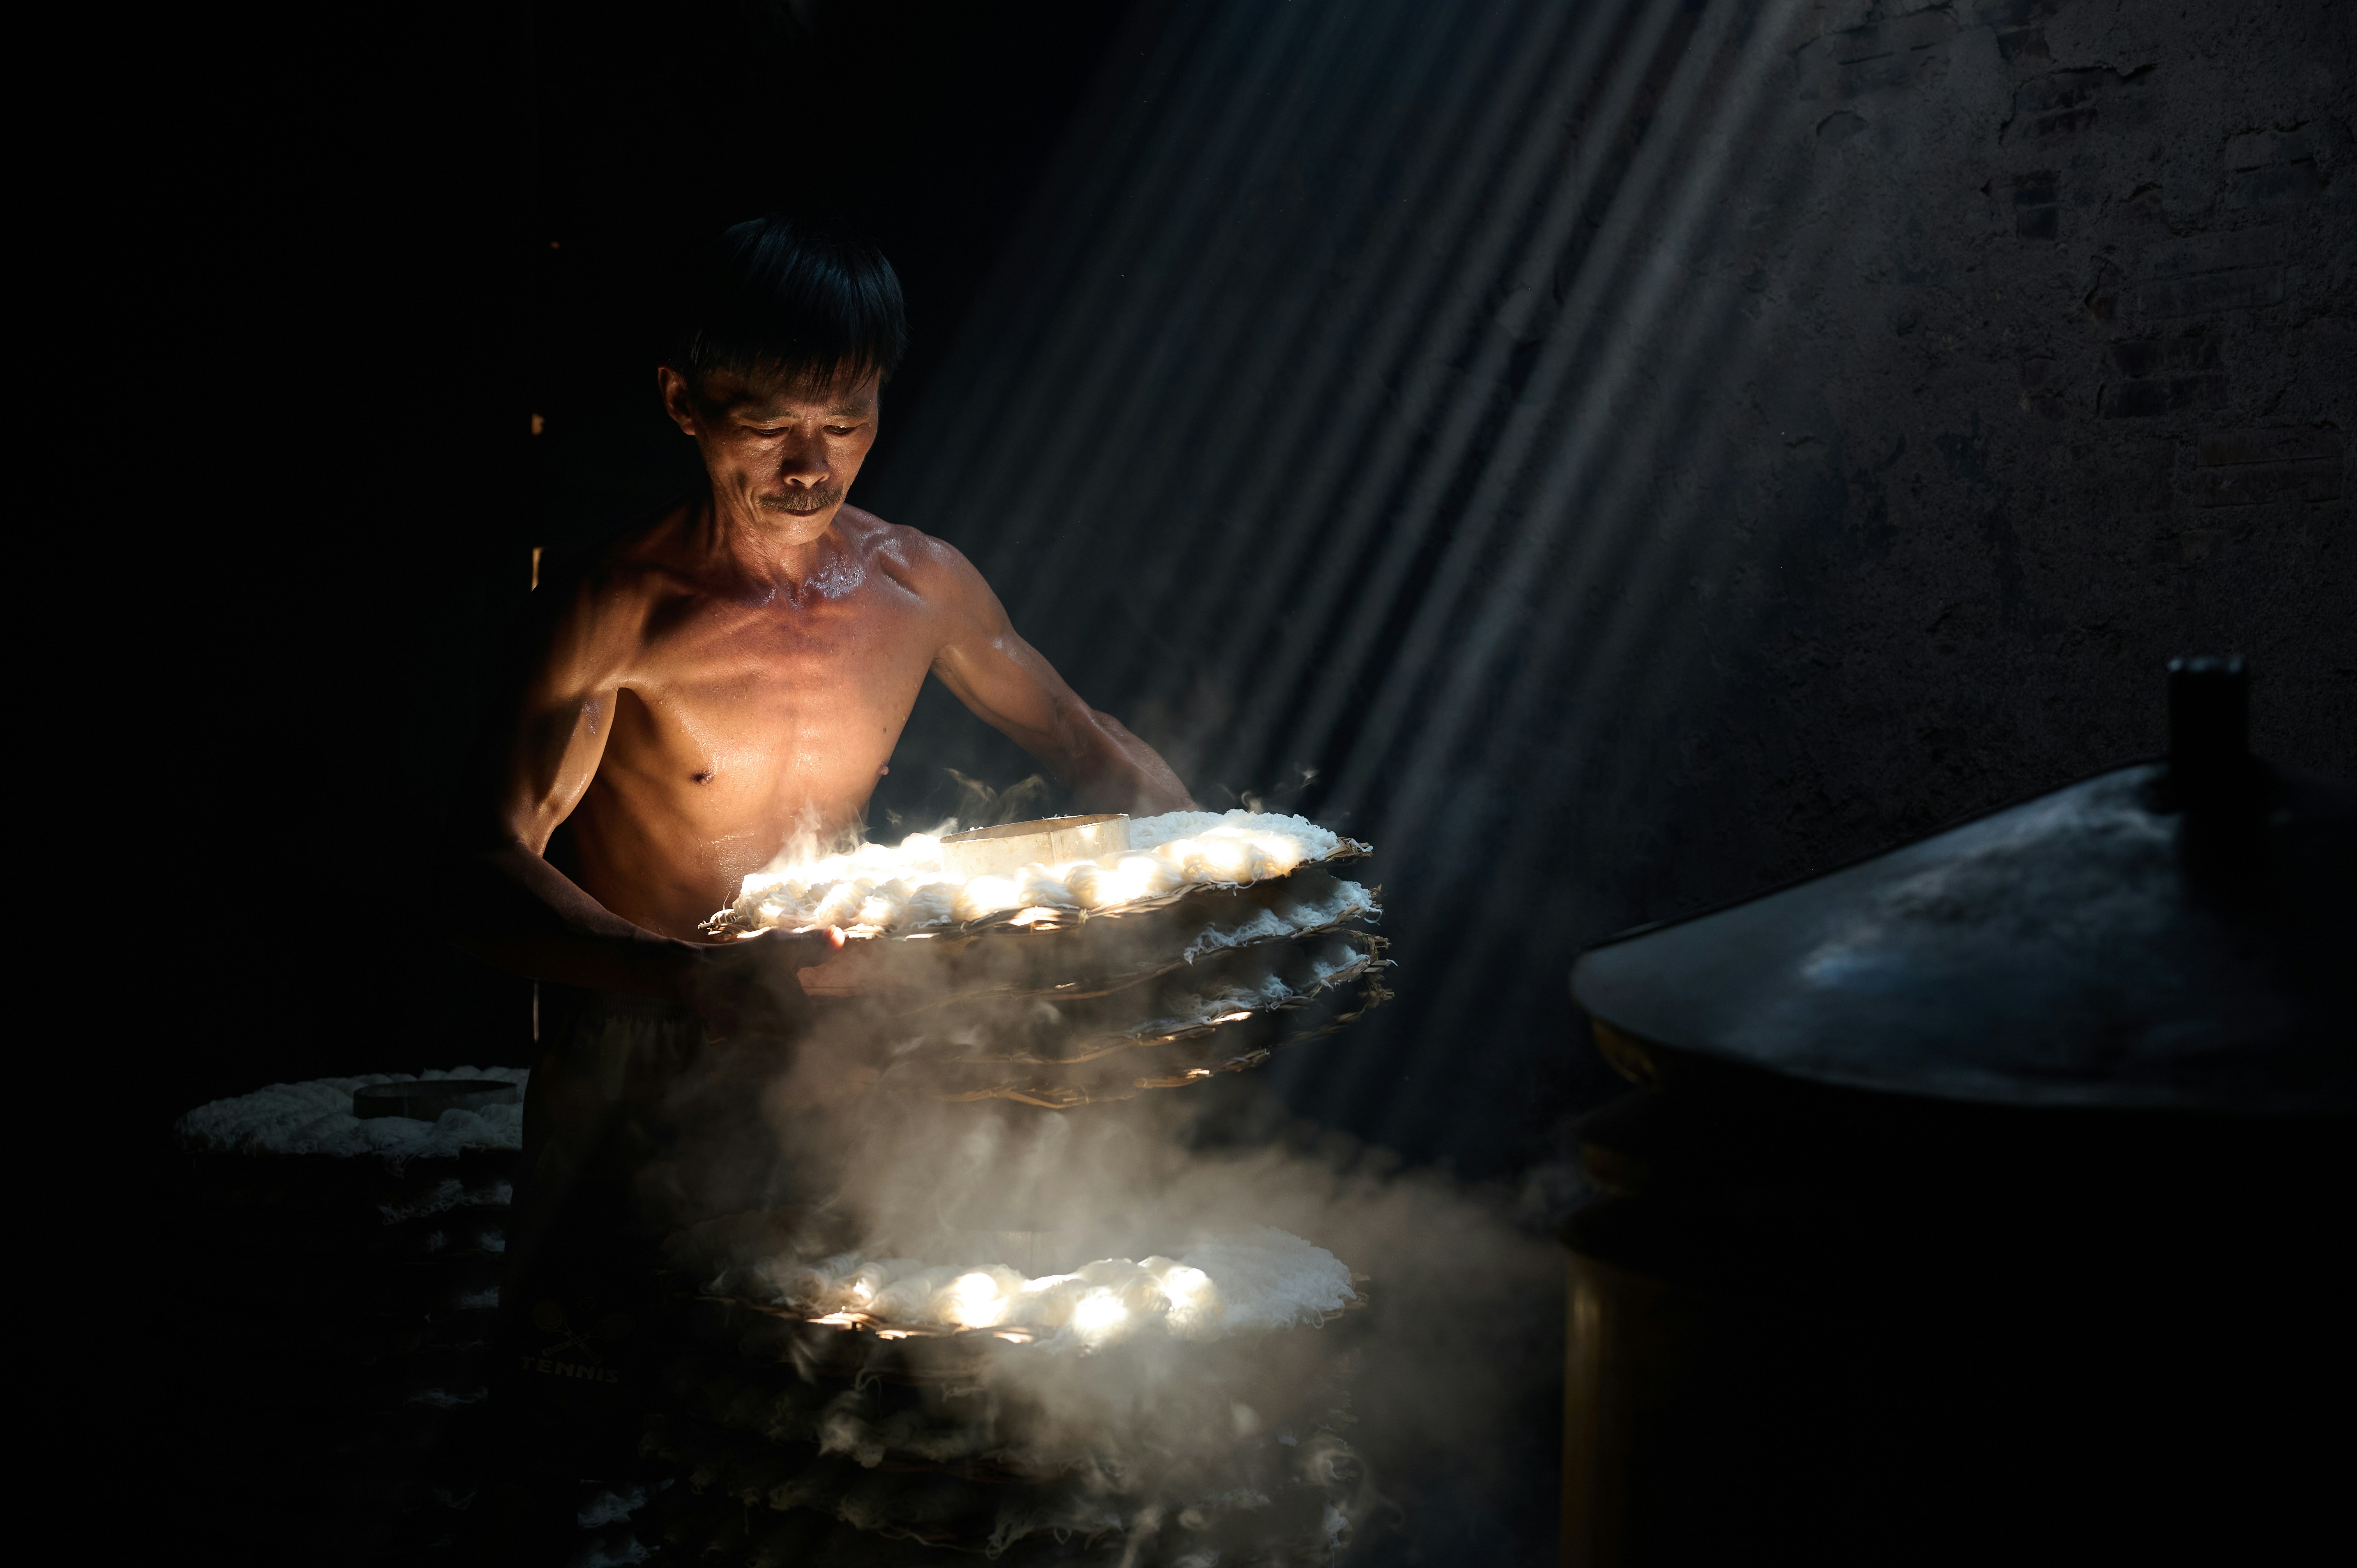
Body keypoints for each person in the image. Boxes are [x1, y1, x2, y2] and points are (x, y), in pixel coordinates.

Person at [446, 215, 1194, 1481]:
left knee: (815, 1449)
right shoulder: (616, 609)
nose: (812, 461)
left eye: (845, 419)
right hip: (637, 1068)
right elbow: (480, 870)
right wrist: (682, 978)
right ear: (684, 403)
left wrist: (1219, 861)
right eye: (770, 423)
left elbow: (1088, 744)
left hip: (835, 1070)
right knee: (574, 1461)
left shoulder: (919, 586)